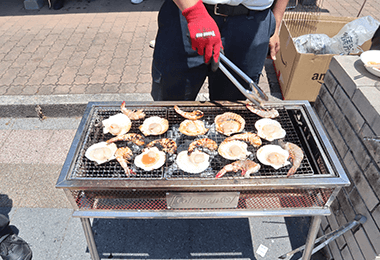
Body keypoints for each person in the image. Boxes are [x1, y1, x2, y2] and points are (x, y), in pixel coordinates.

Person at [151, 0, 289, 101]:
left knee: (231, 109)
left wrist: (276, 24)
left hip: (253, 21)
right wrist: (194, 14)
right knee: (171, 100)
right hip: (187, 13)